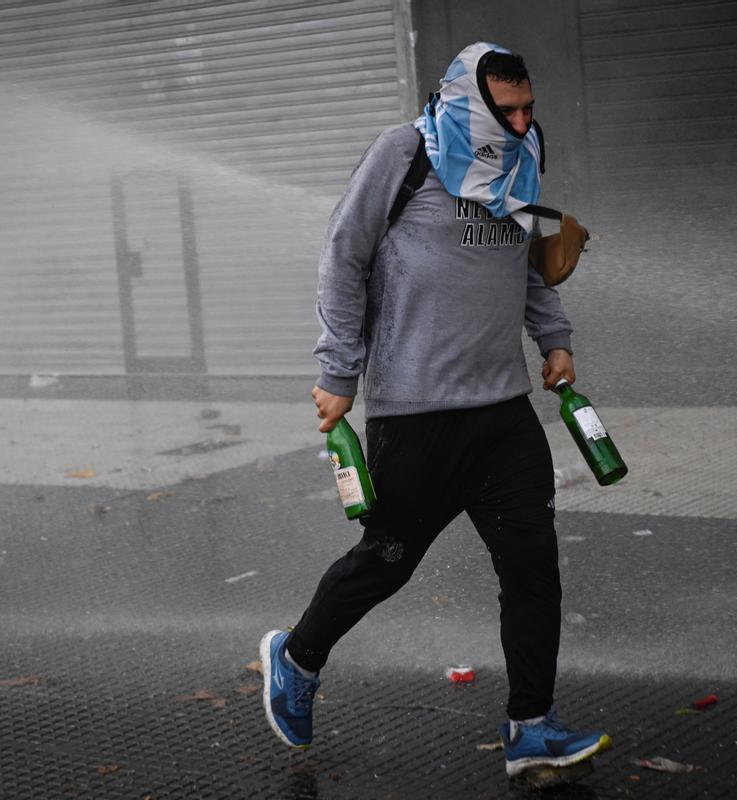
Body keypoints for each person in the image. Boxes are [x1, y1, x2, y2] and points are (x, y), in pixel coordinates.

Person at [260, 42, 611, 777]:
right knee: (386, 561)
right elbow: (344, 253)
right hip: (416, 412)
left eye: (527, 109)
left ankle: (531, 725)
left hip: (503, 412)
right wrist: (337, 370)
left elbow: (522, 258)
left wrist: (554, 338)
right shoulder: (406, 152)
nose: (518, 124)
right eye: (504, 111)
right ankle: (296, 659)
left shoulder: (522, 154)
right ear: (467, 102)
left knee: (533, 566)